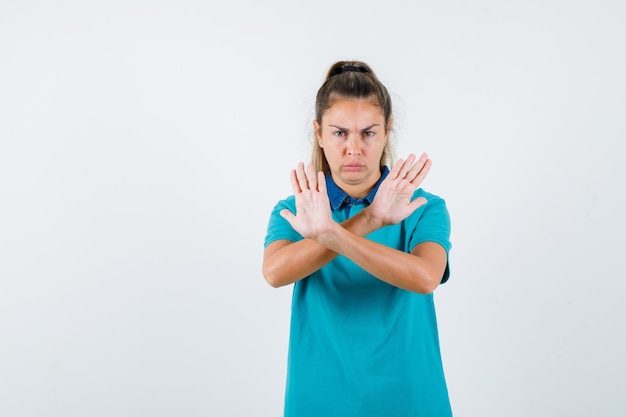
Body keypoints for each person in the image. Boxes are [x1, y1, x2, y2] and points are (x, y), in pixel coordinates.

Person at [262, 60, 453, 417]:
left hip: (410, 399)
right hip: (319, 402)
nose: (354, 148)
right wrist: (370, 220)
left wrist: (331, 233)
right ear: (319, 133)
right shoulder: (297, 208)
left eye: (368, 133)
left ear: (386, 132)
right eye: (339, 133)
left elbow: (426, 277)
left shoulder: (424, 207)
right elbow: (275, 272)